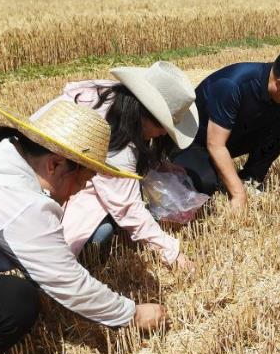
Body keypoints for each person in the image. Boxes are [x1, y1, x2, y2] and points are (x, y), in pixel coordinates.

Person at [0, 100, 166, 354]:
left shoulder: (3, 151)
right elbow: (68, 281)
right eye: (82, 180)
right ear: (55, 164)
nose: (80, 189)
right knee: (14, 302)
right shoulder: (25, 203)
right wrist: (133, 314)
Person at [43, 62, 198, 269]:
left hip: (46, 177)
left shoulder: (112, 98)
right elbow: (126, 207)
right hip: (45, 194)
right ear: (145, 116)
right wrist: (172, 253)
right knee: (101, 231)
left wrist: (157, 164)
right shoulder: (114, 140)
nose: (163, 133)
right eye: (162, 125)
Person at [173, 44, 280, 210]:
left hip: (231, 136)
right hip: (193, 142)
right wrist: (238, 194)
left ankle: (249, 179)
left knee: (279, 129)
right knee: (205, 183)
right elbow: (214, 144)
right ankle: (221, 179)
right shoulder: (233, 85)